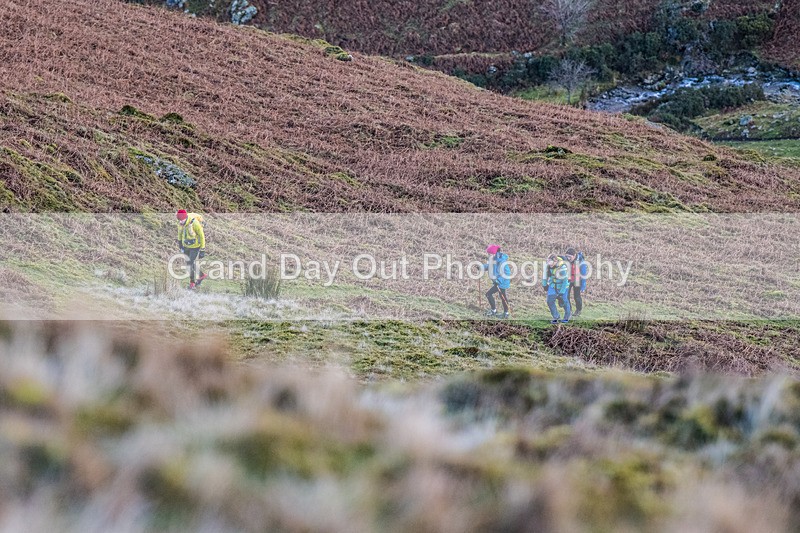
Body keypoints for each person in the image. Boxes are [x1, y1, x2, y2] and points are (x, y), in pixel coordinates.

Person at [176, 209, 207, 290]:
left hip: (195, 246)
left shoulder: (195, 223)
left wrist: (202, 250)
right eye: (179, 220)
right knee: (188, 263)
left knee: (189, 263)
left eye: (181, 220)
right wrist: (180, 245)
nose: (180, 222)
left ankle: (192, 283)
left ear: (185, 218)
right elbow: (179, 234)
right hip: (186, 245)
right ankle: (201, 275)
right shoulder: (180, 223)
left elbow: (202, 236)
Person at [483, 244, 511, 319]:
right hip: (497, 281)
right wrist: (482, 267)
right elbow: (489, 266)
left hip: (502, 282)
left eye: (490, 254)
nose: (488, 255)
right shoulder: (493, 259)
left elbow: (507, 273)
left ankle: (497, 312)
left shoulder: (501, 261)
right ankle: (503, 313)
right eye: (488, 254)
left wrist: (498, 281)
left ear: (494, 253)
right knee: (502, 296)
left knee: (491, 294)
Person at [542, 253, 570, 324]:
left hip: (562, 286)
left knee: (564, 301)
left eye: (551, 263)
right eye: (548, 262)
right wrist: (544, 285)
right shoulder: (548, 266)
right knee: (550, 301)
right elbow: (545, 276)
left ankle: (567, 316)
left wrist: (562, 292)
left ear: (555, 261)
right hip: (553, 285)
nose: (550, 265)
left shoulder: (562, 267)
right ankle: (556, 317)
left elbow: (565, 281)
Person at [562, 247, 588, 317]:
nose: (568, 258)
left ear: (574, 256)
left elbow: (583, 275)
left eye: (570, 257)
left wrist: (583, 287)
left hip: (577, 280)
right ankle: (569, 310)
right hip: (568, 279)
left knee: (577, 296)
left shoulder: (581, 262)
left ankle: (578, 310)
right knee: (566, 296)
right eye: (566, 256)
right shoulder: (565, 260)